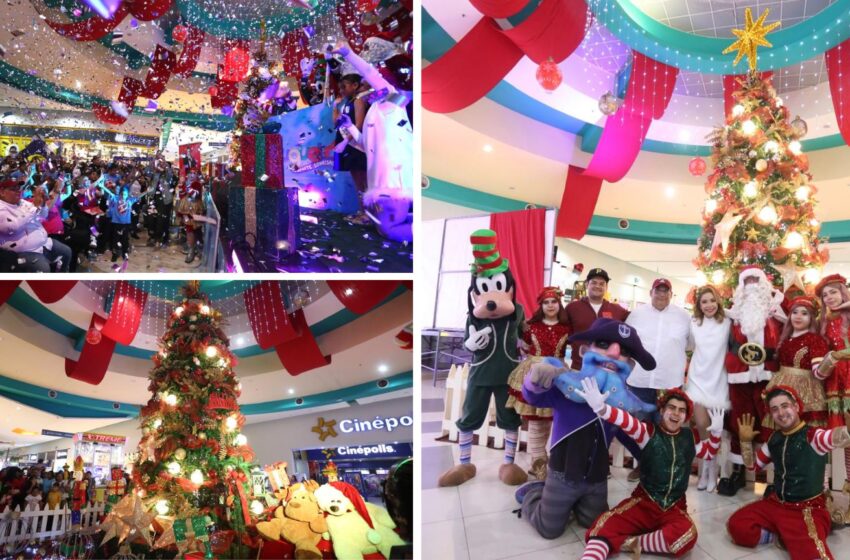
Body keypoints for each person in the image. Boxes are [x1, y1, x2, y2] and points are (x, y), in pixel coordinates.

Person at [514, 318, 657, 540]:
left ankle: (575, 503)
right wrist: (535, 380)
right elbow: (533, 397)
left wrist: (653, 458)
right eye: (603, 343)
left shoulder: (622, 403)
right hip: (562, 475)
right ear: (585, 350)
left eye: (623, 351)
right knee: (549, 528)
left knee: (595, 523)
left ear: (630, 364)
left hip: (597, 480)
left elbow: (630, 436)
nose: (612, 353)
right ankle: (535, 493)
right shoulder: (565, 385)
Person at [578, 384, 723, 559]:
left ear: (686, 416)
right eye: (672, 408)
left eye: (681, 410)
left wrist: (716, 433)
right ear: (662, 411)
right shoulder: (647, 432)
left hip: (674, 507)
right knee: (603, 526)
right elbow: (626, 420)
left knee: (687, 535)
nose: (676, 413)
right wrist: (602, 409)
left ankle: (633, 543)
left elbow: (708, 452)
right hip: (644, 503)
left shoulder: (689, 438)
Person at [727, 385, 850, 559]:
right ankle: (783, 535)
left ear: (796, 407)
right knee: (737, 526)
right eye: (775, 409)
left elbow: (833, 437)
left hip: (807, 509)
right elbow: (754, 467)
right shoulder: (774, 439)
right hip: (776, 504)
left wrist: (848, 431)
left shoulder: (813, 436)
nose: (781, 413)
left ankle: (809, 529)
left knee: (810, 555)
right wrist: (745, 442)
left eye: (785, 406)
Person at [719, 265, 787, 496]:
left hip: (767, 375)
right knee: (740, 421)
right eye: (746, 282)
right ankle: (738, 472)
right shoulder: (733, 314)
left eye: (755, 281)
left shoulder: (776, 310)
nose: (751, 287)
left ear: (764, 284)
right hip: (739, 376)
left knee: (772, 422)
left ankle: (776, 476)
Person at [624, 278, 691, 481]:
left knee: (666, 425)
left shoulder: (683, 317)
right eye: (658, 291)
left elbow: (693, 345)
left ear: (671, 294)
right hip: (639, 380)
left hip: (668, 380)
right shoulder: (636, 314)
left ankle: (663, 468)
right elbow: (625, 341)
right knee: (640, 425)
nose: (661, 295)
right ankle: (642, 464)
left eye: (665, 291)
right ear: (650, 293)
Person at [505, 286, 570, 480]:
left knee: (549, 418)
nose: (550, 305)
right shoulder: (530, 326)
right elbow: (523, 345)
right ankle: (538, 461)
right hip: (534, 373)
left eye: (554, 302)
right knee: (534, 419)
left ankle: (542, 460)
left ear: (559, 304)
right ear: (541, 305)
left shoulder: (567, 328)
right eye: (546, 302)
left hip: (557, 373)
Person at [685, 284, 732, 492]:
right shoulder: (694, 323)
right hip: (697, 379)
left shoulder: (728, 321)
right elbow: (685, 345)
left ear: (718, 301)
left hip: (718, 379)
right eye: (704, 301)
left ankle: (712, 472)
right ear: (698, 305)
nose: (709, 305)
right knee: (702, 425)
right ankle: (705, 470)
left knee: (716, 428)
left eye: (712, 300)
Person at [814, 273, 850, 521]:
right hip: (832, 384)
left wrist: (840, 355)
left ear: (843, 292)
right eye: (825, 295)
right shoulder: (824, 323)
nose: (829, 298)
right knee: (842, 440)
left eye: (833, 292)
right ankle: (824, 493)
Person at [764, 296, 829, 428]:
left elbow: (820, 372)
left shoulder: (815, 340)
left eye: (804, 313)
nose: (798, 316)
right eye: (795, 312)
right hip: (782, 386)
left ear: (811, 318)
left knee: (804, 426)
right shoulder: (785, 339)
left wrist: (830, 362)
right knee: (783, 424)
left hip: (806, 389)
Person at [563, 268, 630, 371]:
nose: (597, 286)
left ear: (606, 287)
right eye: (594, 282)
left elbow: (635, 324)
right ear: (587, 284)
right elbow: (563, 334)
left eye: (601, 283)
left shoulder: (617, 310)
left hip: (607, 370)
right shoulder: (573, 308)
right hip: (578, 368)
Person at [0, 177, 72, 272]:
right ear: (2, 192)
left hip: (44, 242)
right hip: (24, 251)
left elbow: (43, 215)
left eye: (19, 188)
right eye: (14, 189)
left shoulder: (22, 202)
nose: (18, 192)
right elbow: (12, 227)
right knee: (43, 269)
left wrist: (42, 204)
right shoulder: (2, 208)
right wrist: (35, 206)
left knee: (67, 251)